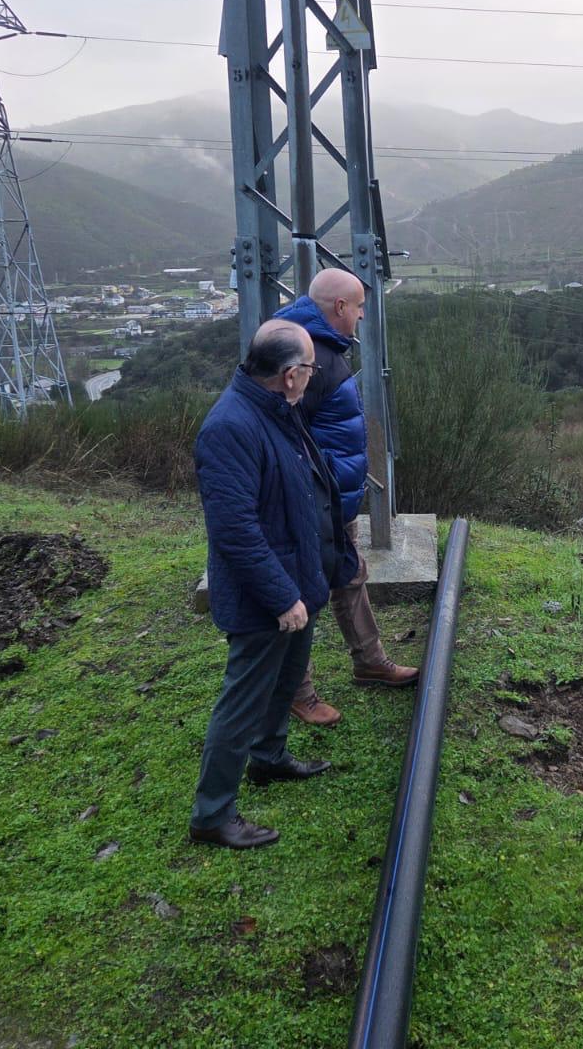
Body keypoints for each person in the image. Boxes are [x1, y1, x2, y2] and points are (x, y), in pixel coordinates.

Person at [187, 319, 356, 850]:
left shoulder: (276, 409)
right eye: (309, 368)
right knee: (242, 701)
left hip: (299, 581)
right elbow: (234, 530)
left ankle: (269, 758)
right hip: (266, 598)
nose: (312, 376)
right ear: (288, 375)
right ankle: (212, 815)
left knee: (284, 682)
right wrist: (282, 597)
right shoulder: (230, 429)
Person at [274, 268, 419, 727]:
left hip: (333, 498)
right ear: (340, 307)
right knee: (303, 591)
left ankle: (370, 661)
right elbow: (282, 436)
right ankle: (298, 692)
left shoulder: (321, 347)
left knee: (350, 574)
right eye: (358, 307)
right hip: (310, 503)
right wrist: (309, 493)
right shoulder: (303, 355)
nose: (361, 316)